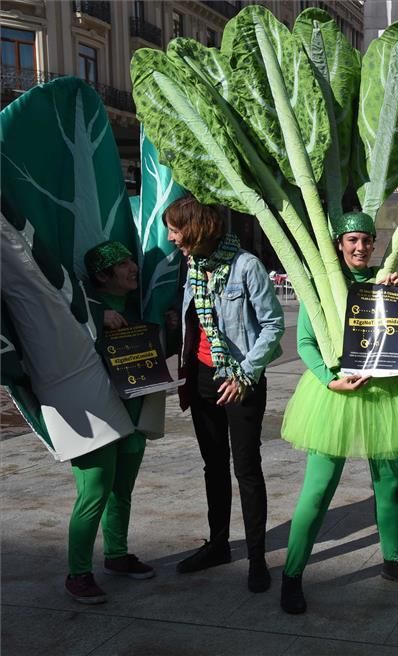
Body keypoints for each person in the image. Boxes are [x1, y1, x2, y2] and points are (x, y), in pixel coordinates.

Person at [279, 212, 398, 614]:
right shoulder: (323, 285)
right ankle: (292, 574)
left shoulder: (385, 280)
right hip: (335, 393)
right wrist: (329, 379)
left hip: (384, 394)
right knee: (318, 489)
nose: (360, 248)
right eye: (352, 241)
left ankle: (393, 561)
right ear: (339, 245)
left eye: (366, 240)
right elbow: (306, 340)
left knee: (391, 485)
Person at [165, 195, 285, 593]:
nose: (171, 237)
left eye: (176, 228)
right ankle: (218, 544)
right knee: (212, 465)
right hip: (201, 378)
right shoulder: (194, 265)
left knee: (246, 469)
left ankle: (256, 557)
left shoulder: (246, 266)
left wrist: (246, 375)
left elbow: (272, 325)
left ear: (197, 227)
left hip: (240, 381)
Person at [64, 241, 157, 604]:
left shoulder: (140, 306)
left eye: (131, 260)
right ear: (103, 275)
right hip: (94, 416)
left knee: (122, 490)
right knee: (94, 492)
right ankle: (78, 573)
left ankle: (116, 556)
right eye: (122, 264)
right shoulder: (77, 313)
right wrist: (94, 318)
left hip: (132, 413)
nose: (134, 267)